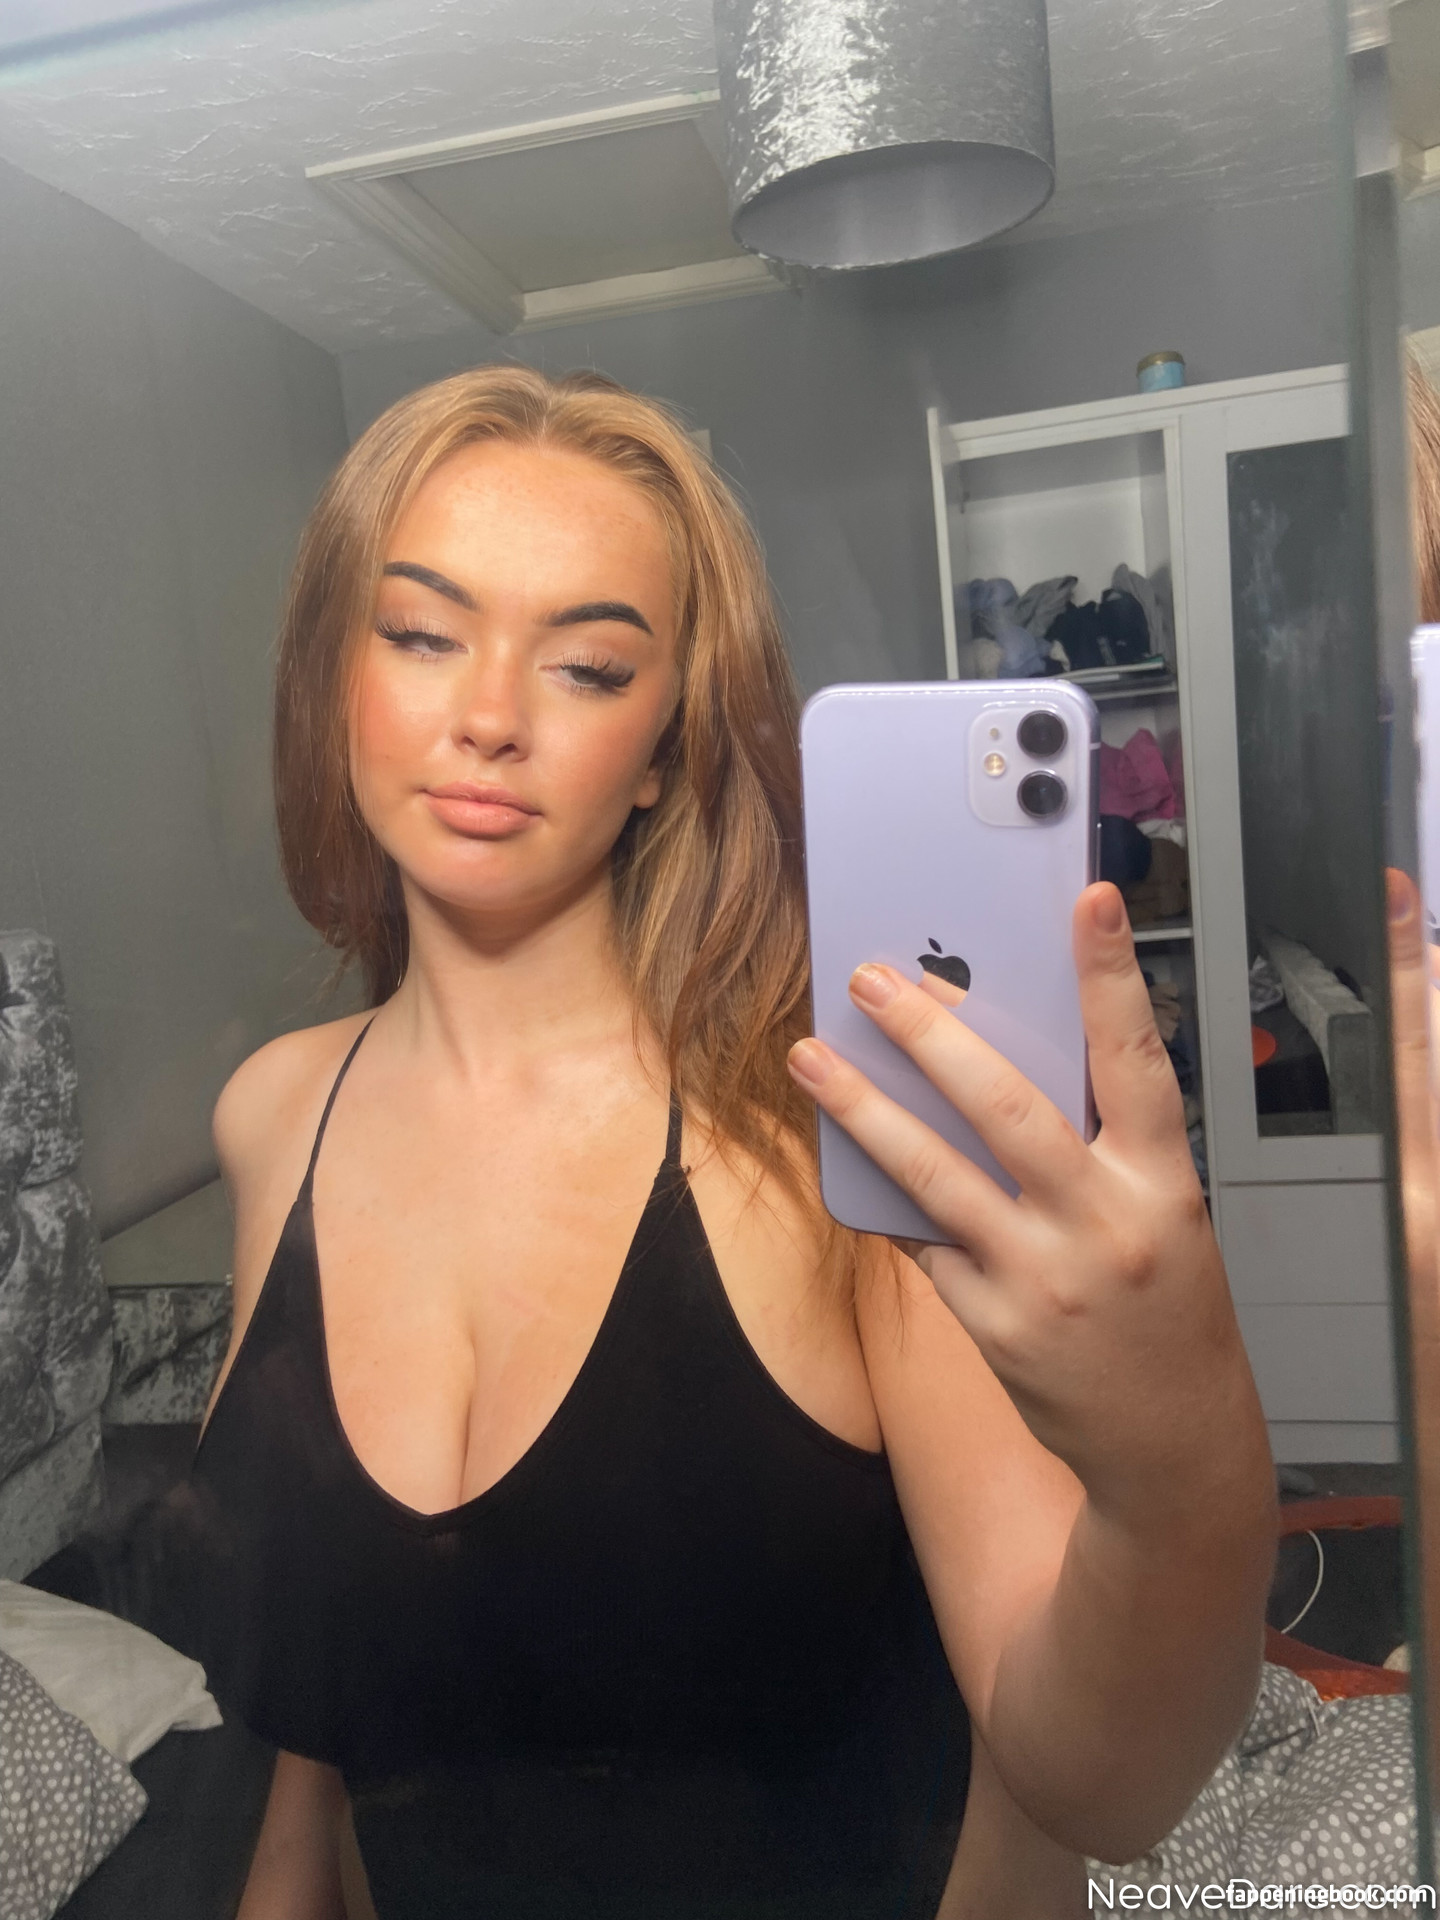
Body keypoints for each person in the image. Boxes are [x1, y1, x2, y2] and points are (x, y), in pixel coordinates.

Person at [178, 366, 1275, 1919]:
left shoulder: (836, 1120)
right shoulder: (273, 1114)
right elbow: (327, 1714)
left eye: (588, 667)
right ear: (330, 675)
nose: (487, 718)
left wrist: (1184, 1455)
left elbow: (1103, 1781)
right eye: (421, 634)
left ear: (664, 748)